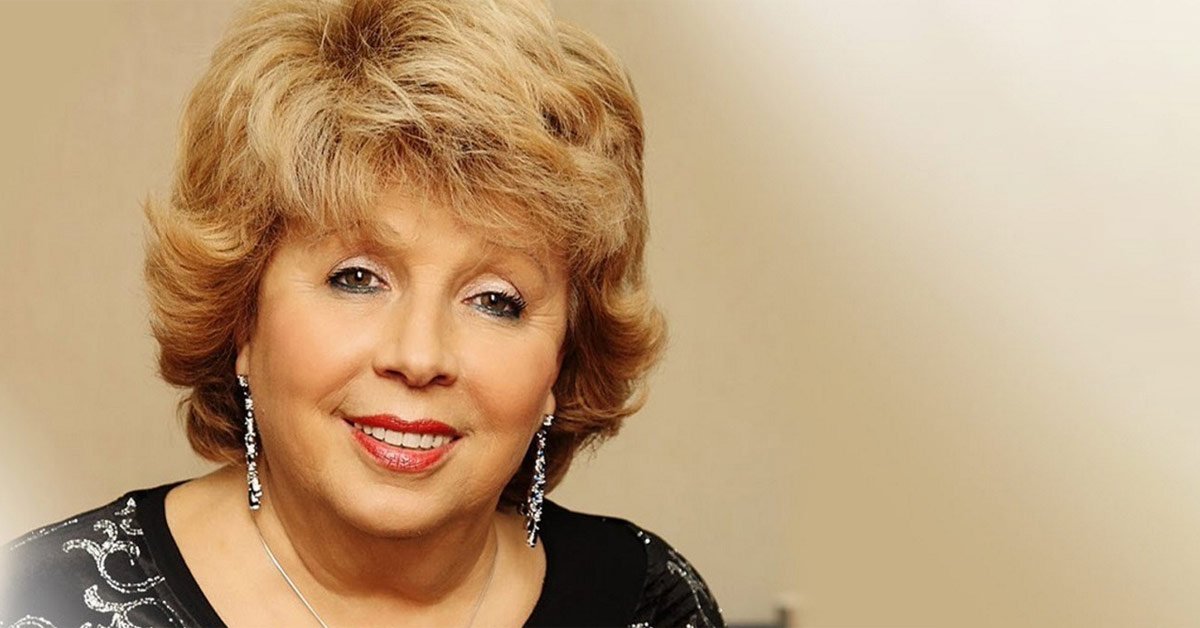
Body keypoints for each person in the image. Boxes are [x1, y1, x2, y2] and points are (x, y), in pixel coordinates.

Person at [0, 0, 723, 626]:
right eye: (356, 278)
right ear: (243, 318)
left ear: (562, 358)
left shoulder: (652, 605)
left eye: (495, 301)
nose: (419, 355)